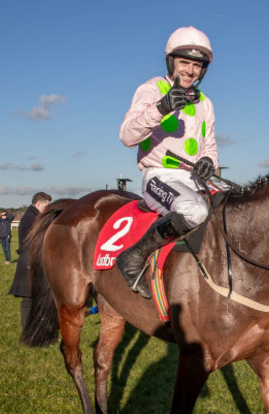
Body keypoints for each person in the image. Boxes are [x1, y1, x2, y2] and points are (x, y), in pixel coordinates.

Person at [116, 26, 218, 299]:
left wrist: (209, 161)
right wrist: (161, 108)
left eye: (197, 65)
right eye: (184, 62)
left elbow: (210, 145)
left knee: (238, 208)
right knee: (193, 212)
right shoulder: (150, 89)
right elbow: (127, 136)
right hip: (159, 176)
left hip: (196, 181)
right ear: (171, 62)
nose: (190, 70)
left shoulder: (205, 103)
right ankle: (133, 257)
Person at [8, 192, 52, 331]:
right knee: (29, 299)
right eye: (46, 206)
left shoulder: (32, 216)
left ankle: (33, 328)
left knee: (33, 299)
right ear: (38, 204)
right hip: (29, 263)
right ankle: (28, 330)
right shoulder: (31, 218)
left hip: (30, 261)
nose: (47, 209)